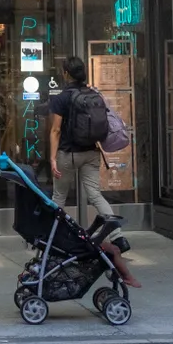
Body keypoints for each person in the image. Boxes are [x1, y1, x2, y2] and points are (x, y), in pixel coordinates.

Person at [47, 57, 125, 250]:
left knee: (59, 197)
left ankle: (51, 237)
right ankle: (118, 237)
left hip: (68, 153)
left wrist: (52, 158)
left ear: (66, 74)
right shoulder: (94, 94)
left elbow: (55, 130)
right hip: (91, 152)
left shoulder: (62, 98)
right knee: (96, 195)